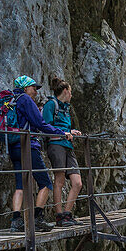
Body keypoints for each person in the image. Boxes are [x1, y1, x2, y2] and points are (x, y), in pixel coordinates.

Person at [7, 75, 62, 232]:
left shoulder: (11, 100)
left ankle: (16, 221)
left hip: (13, 147)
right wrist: (60, 132)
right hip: (28, 147)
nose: (36, 92)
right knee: (45, 183)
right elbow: (40, 123)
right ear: (25, 88)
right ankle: (37, 218)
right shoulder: (25, 99)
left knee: (20, 184)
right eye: (34, 88)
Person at [42, 76, 83, 224]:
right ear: (65, 91)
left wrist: (71, 131)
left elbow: (61, 126)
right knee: (59, 180)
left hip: (67, 145)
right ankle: (60, 216)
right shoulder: (51, 105)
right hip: (56, 145)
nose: (71, 95)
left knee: (77, 182)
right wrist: (63, 133)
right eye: (70, 92)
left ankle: (67, 212)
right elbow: (46, 126)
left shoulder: (66, 108)